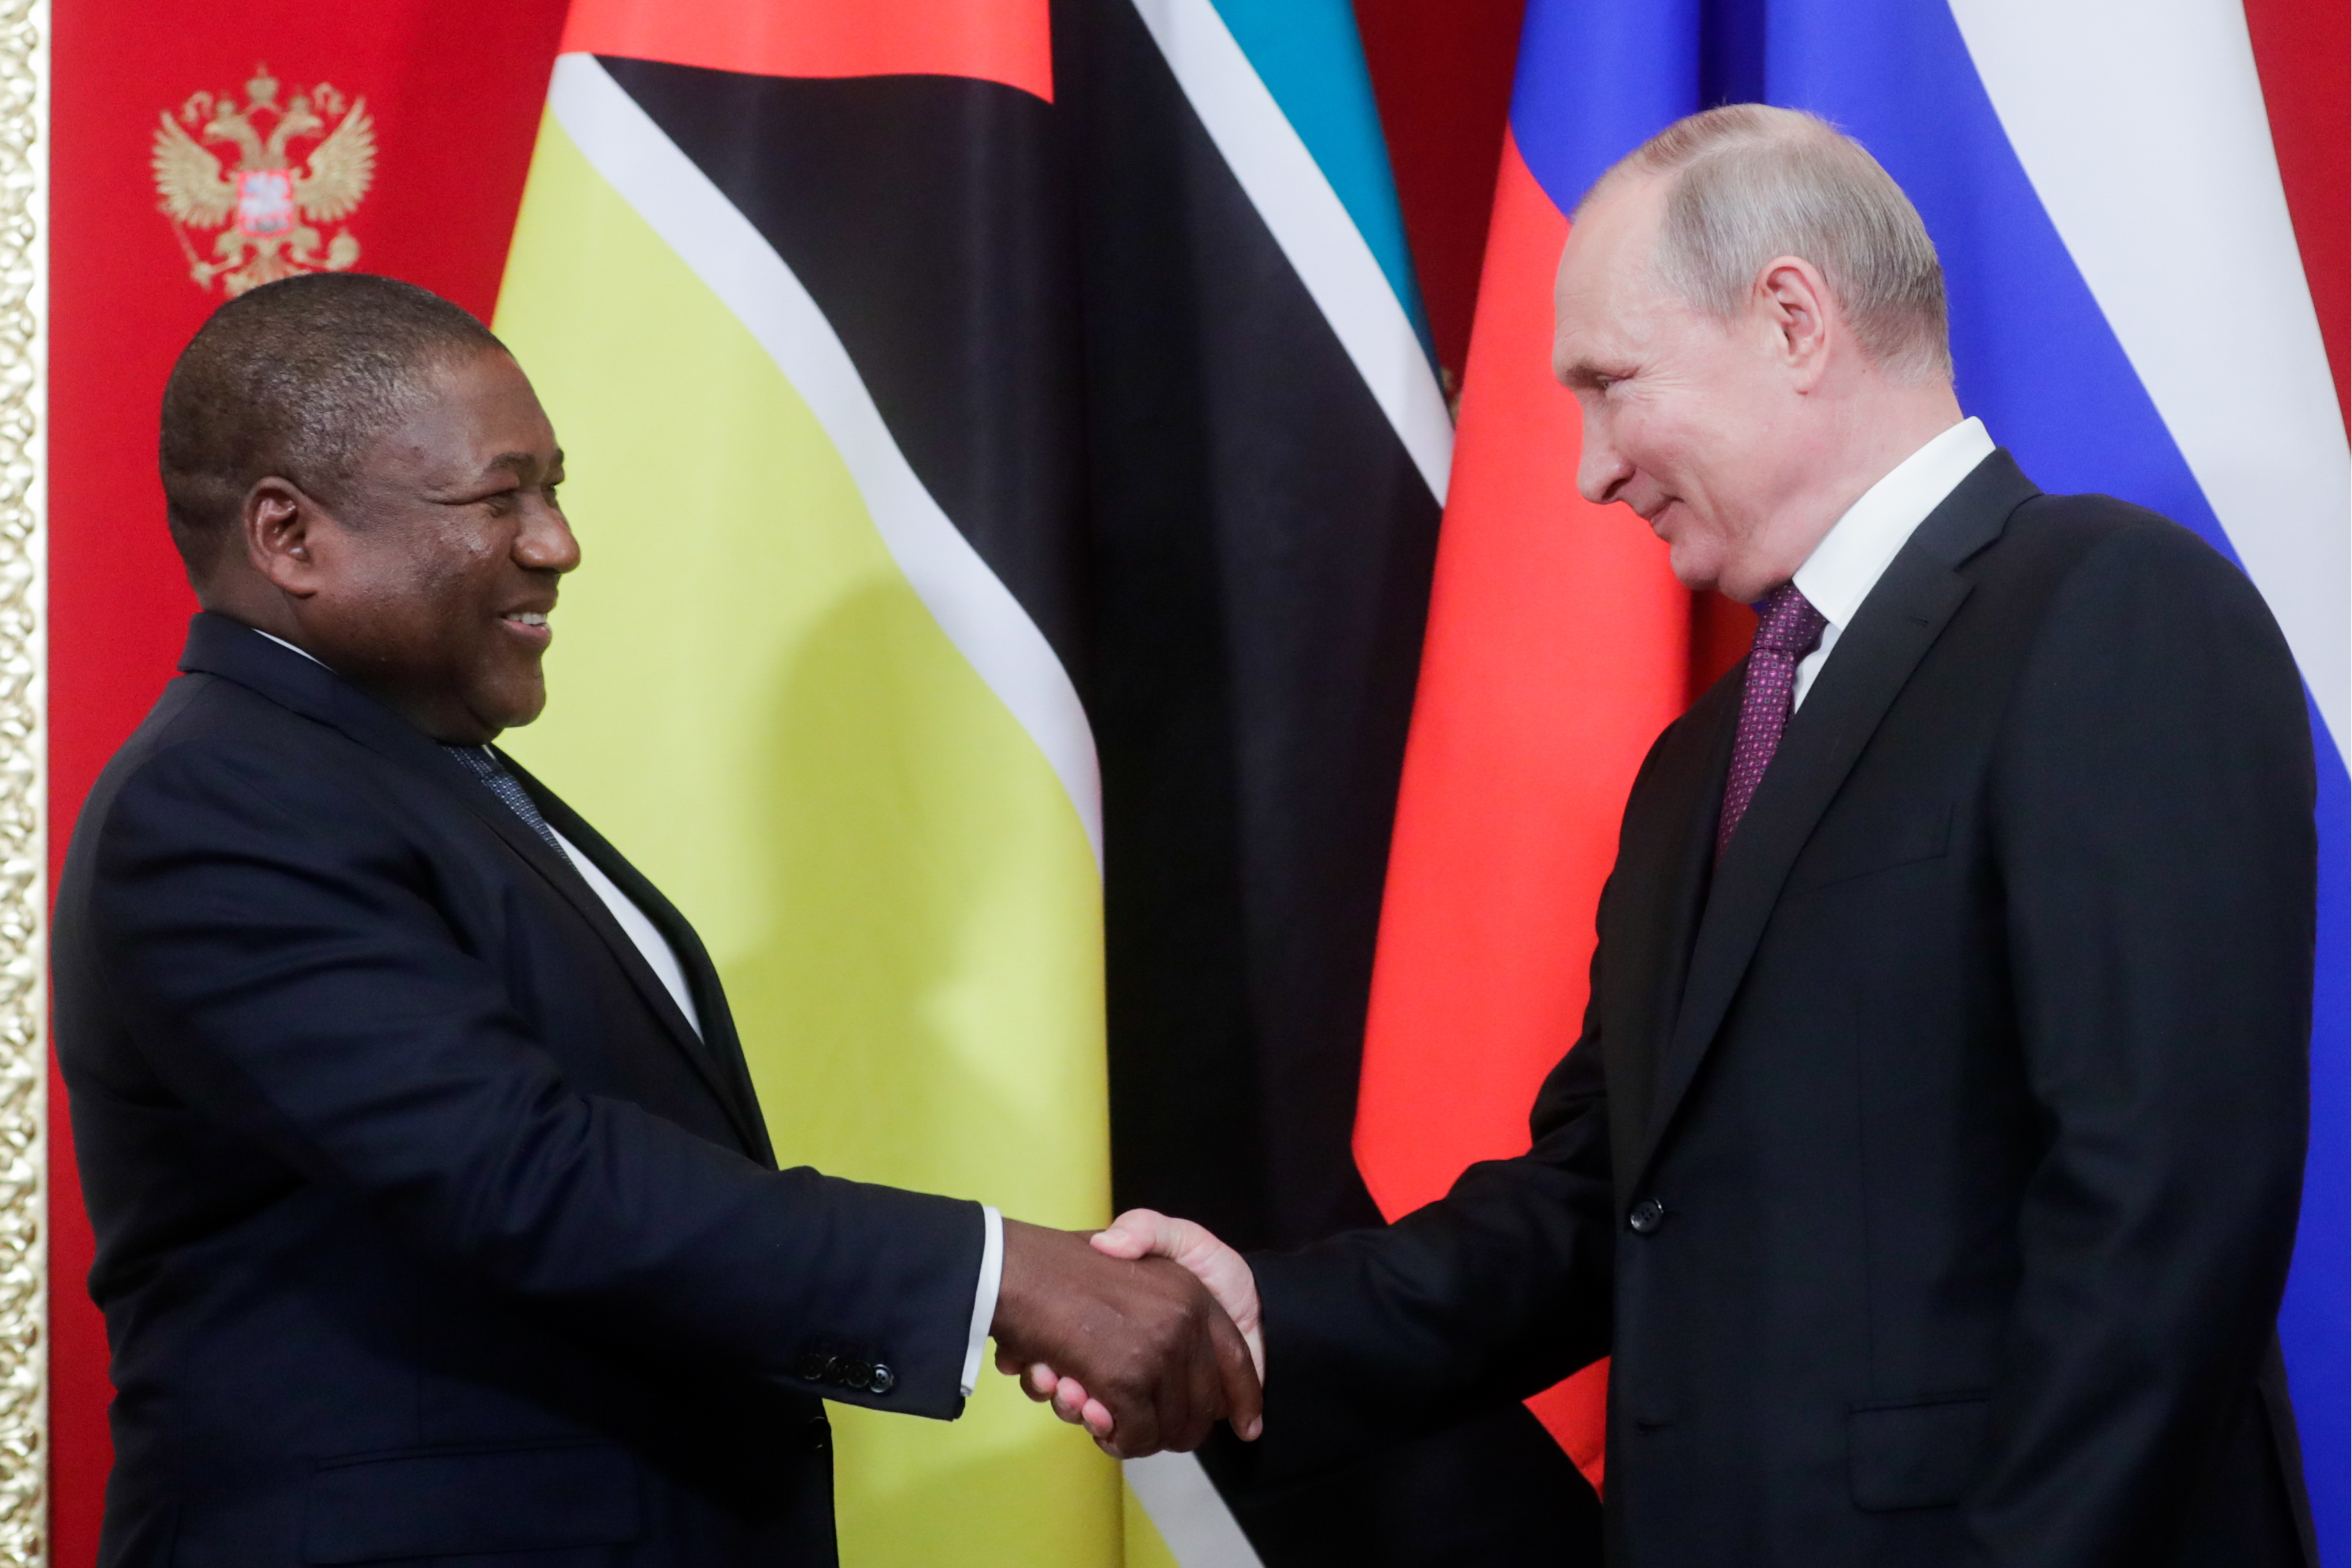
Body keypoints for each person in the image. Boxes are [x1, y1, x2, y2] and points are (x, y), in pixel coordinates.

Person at [1031, 105, 2319, 1565]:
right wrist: (1261, 1315)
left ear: (1791, 320)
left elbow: (2163, 1208)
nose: (1590, 469)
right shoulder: (1702, 760)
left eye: (1611, 383)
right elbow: (1605, 1195)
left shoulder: (2111, 610)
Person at [52, 272, 1259, 1567]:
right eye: (500, 496)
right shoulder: (220, 799)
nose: (556, 542)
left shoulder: (412, 770)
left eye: (554, 489)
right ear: (291, 536)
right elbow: (527, 1174)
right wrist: (1001, 1274)